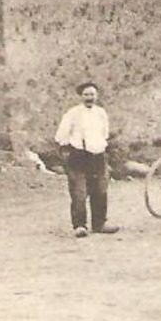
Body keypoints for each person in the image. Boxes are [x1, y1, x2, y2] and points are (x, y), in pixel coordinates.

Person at [53, 81, 118, 237]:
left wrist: (100, 147)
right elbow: (60, 135)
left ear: (97, 96)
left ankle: (100, 224)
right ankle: (80, 225)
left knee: (100, 190)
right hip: (79, 156)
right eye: (86, 95)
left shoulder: (101, 113)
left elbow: (105, 134)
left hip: (98, 155)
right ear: (81, 96)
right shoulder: (73, 113)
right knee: (79, 192)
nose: (89, 98)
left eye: (92, 94)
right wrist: (69, 149)